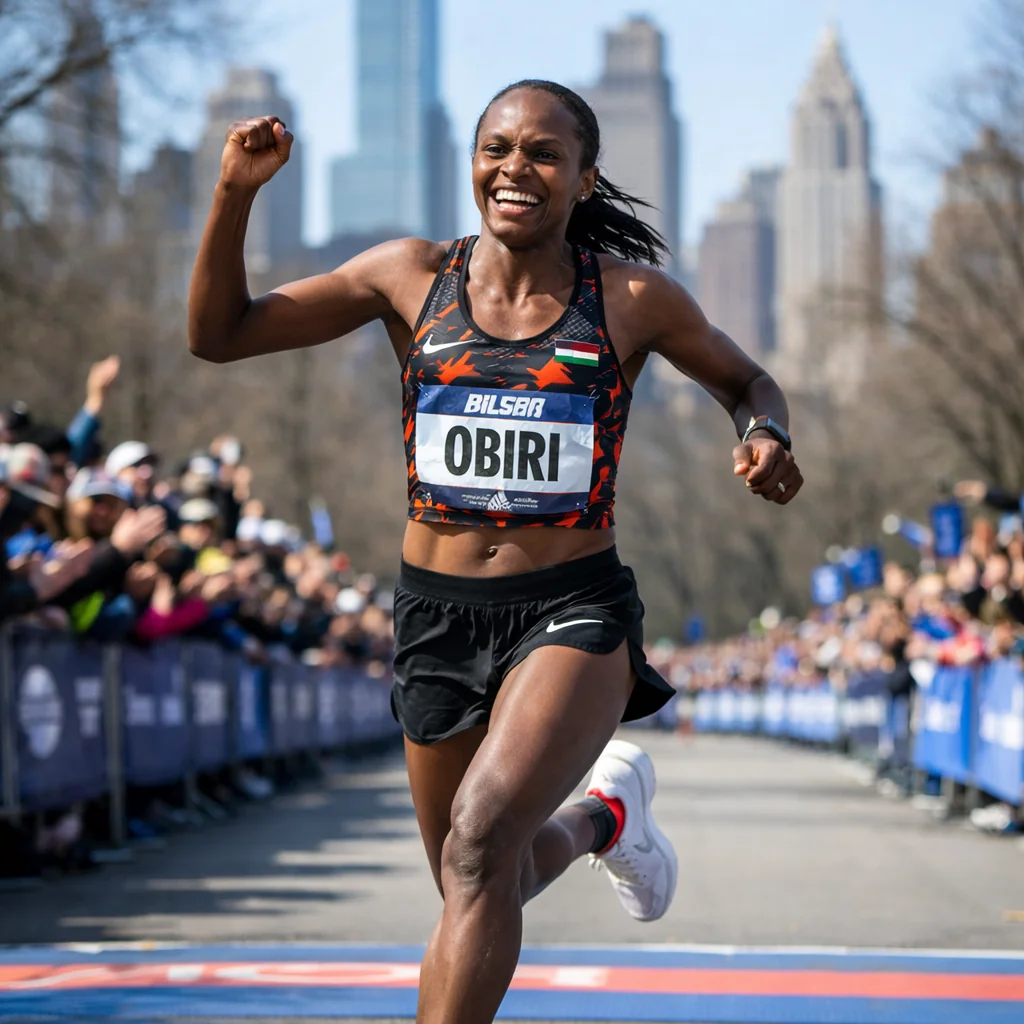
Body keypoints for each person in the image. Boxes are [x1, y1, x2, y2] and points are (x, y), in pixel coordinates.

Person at [189, 79, 804, 1024]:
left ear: (585, 178)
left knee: (477, 847)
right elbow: (219, 336)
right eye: (498, 149)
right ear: (473, 163)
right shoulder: (410, 275)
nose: (516, 169)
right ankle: (607, 819)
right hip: (435, 614)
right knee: (477, 878)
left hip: (572, 607)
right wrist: (236, 192)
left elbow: (747, 378)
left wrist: (766, 434)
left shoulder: (631, 298)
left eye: (545, 154)